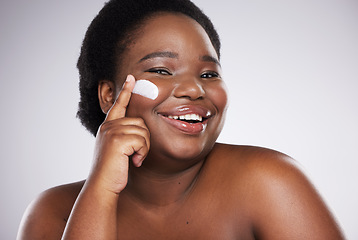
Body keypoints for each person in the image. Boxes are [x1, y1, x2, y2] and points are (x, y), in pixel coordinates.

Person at [17, 0, 345, 239]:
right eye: (161, 70)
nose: (193, 88)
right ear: (108, 95)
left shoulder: (268, 182)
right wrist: (101, 191)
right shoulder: (54, 213)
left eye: (208, 73)